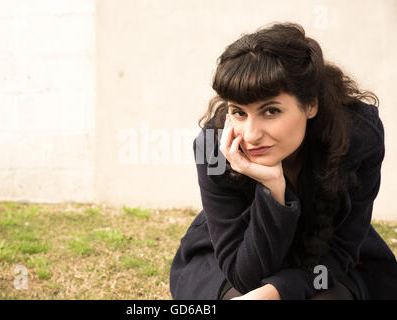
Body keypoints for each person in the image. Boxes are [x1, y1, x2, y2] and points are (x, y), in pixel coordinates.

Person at [169, 22, 397, 300]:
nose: (251, 135)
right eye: (239, 112)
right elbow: (245, 275)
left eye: (271, 111)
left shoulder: (357, 135)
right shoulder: (213, 148)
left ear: (310, 104)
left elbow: (339, 250)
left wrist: (277, 292)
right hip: (236, 252)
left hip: (326, 259)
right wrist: (272, 189)